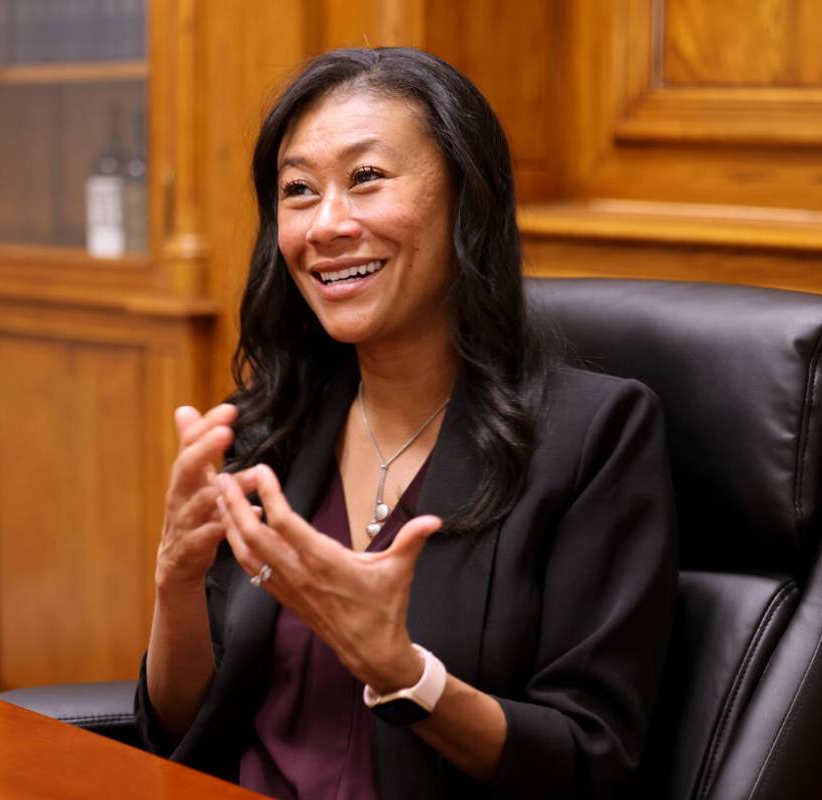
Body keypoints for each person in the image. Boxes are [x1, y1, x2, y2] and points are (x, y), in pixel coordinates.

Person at [135, 47, 678, 799]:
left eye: (366, 178)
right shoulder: (264, 430)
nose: (326, 225)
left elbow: (592, 761)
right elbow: (182, 726)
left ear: (467, 198)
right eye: (298, 190)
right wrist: (175, 580)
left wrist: (404, 675)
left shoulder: (592, 436)